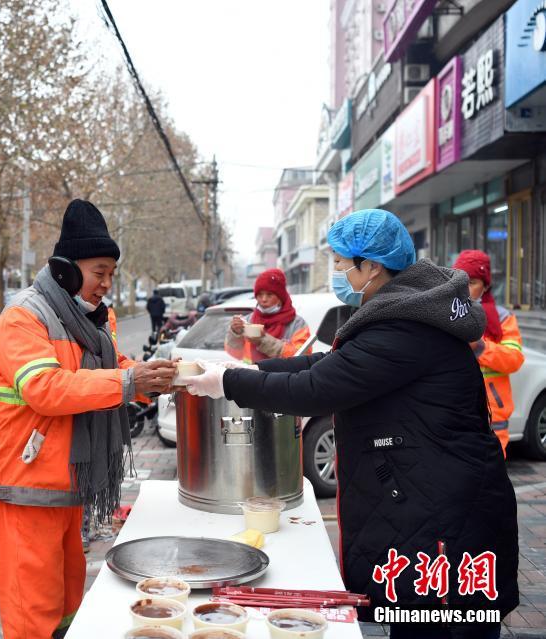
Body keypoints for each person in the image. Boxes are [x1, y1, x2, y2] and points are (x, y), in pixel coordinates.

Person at [181, 209, 518, 638]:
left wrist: (229, 382)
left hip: (442, 516)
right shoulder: (411, 310)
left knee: (436, 625)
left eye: (341, 264)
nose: (337, 273)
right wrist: (240, 375)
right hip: (434, 498)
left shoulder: (404, 326)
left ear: (372, 266)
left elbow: (319, 387)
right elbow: (330, 364)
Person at [0, 199, 177, 638]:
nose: (107, 284)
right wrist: (128, 382)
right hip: (28, 485)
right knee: (33, 613)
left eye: (112, 274)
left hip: (71, 482)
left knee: (68, 604)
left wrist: (153, 379)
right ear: (67, 270)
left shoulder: (93, 318)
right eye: (100, 273)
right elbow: (46, 389)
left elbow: (106, 366)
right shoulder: (23, 318)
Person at [453, 250, 524, 458]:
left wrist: (480, 346)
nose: (465, 288)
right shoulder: (443, 315)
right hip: (453, 411)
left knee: (491, 479)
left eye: (472, 282)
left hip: (493, 416)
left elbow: (514, 359)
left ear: (485, 286)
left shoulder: (502, 318)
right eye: (460, 280)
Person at [225, 268, 310, 363]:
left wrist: (263, 340)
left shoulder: (297, 323)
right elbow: (235, 354)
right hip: (252, 376)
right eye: (260, 295)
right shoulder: (248, 320)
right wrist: (235, 333)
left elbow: (302, 356)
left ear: (280, 297)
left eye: (269, 295)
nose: (264, 299)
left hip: (282, 377)